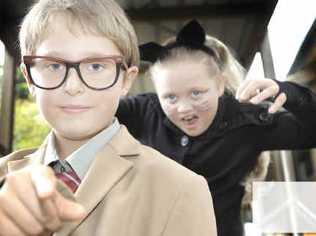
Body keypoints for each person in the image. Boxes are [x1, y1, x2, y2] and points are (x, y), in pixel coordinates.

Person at [0, 2, 218, 236]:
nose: (73, 86)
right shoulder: (3, 179)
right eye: (53, 65)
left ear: (126, 79)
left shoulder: (181, 189)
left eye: (95, 66)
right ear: (29, 78)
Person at [117, 20, 316, 236]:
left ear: (220, 85)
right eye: (170, 97)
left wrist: (291, 94)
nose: (183, 108)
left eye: (196, 93)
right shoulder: (145, 111)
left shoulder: (248, 121)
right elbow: (91, 112)